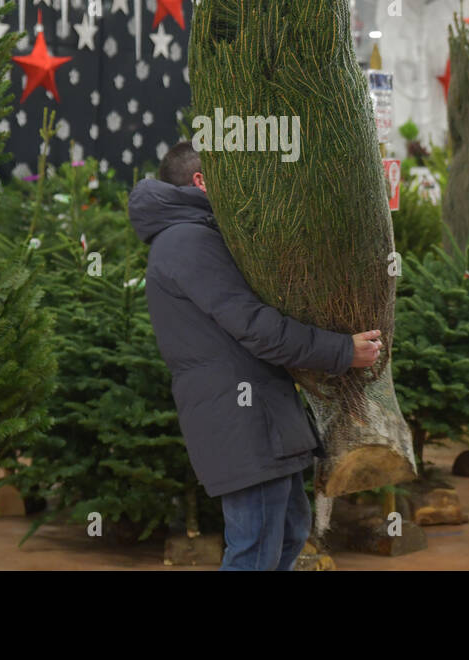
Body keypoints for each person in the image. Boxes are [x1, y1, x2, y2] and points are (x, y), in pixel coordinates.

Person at [128, 141, 383, 571]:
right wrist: (342, 350)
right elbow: (257, 328)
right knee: (255, 549)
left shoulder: (193, 234)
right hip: (241, 415)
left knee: (286, 532)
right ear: (201, 181)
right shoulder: (188, 241)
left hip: (257, 412)